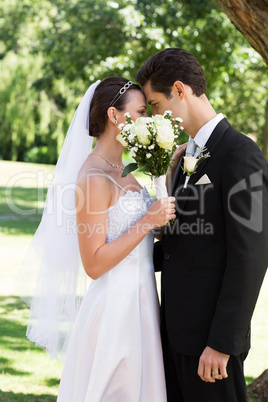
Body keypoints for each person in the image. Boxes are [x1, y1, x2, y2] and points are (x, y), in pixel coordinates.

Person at [18, 77, 178, 401]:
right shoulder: (92, 177)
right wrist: (148, 221)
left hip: (143, 302)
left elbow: (138, 237)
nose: (147, 120)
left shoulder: (124, 170)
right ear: (114, 116)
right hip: (115, 310)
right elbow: (93, 263)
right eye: (141, 111)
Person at [136, 48, 268, 402]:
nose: (153, 115)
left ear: (179, 90)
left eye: (153, 104)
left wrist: (222, 344)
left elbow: (251, 257)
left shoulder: (240, 154)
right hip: (176, 331)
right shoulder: (184, 156)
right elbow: (187, 242)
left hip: (211, 344)